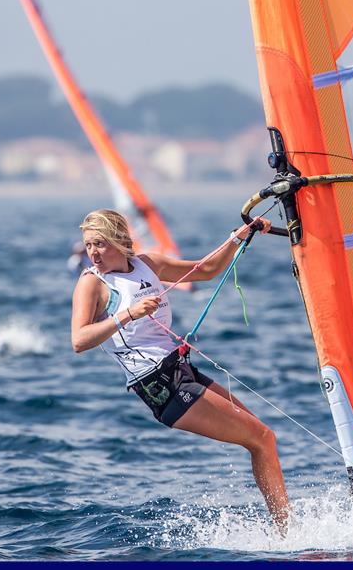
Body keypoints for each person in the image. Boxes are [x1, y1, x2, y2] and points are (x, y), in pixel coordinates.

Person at [71, 209, 290, 530]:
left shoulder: (149, 264)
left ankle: (286, 528)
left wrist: (237, 237)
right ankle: (286, 532)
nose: (93, 253)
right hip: (157, 384)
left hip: (181, 369)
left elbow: (207, 269)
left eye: (100, 244)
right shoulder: (93, 283)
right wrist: (127, 314)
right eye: (89, 245)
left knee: (264, 438)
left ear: (119, 240)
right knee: (262, 438)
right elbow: (78, 340)